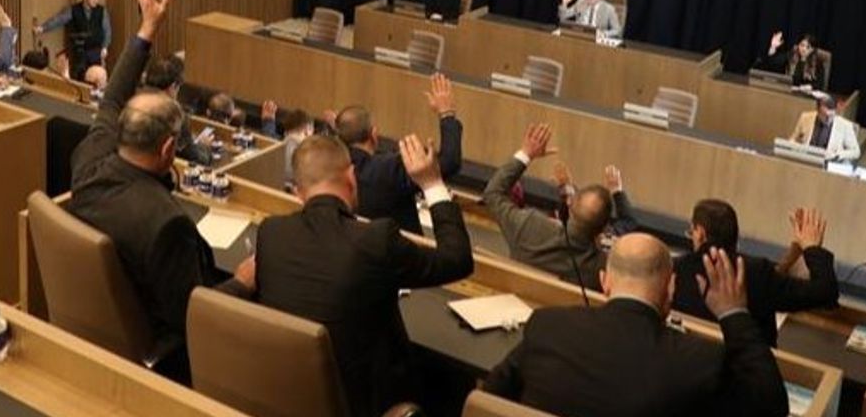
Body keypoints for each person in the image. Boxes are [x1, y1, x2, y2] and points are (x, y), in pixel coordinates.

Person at [66, 0, 254, 378]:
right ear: (169, 150)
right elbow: (195, 317)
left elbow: (112, 97)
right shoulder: (167, 224)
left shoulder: (89, 161)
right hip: (164, 359)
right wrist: (241, 282)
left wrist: (147, 29)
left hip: (96, 335)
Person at [255, 134, 474, 416]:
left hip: (290, 399)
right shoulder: (375, 239)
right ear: (351, 177)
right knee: (455, 380)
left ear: (298, 191)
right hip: (367, 404)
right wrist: (432, 183)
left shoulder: (270, 232)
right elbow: (457, 260)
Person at [484, 234, 789, 417]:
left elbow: (490, 397)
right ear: (671, 288)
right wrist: (734, 313)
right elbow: (771, 406)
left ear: (604, 282)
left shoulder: (547, 325)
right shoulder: (699, 361)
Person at [672, 201, 838, 347]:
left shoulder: (674, 269)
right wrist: (812, 248)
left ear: (700, 234)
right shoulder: (757, 273)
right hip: (745, 368)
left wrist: (795, 250)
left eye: (691, 232)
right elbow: (824, 292)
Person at [482, 124, 614, 290]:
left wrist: (526, 154)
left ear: (571, 206)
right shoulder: (601, 270)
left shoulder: (528, 226)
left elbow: (493, 193)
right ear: (603, 229)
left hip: (515, 300)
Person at [335, 73, 462, 235]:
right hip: (396, 248)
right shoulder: (389, 170)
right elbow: (449, 162)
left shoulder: (331, 169)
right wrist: (447, 114)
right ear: (374, 134)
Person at [142, 54, 214, 165]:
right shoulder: (175, 116)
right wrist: (204, 147)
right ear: (173, 87)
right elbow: (195, 159)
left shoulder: (131, 102)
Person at [36, 0, 112, 76]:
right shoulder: (74, 9)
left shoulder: (102, 10)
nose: (96, 0)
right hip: (80, 52)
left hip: (96, 51)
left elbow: (107, 30)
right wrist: (43, 28)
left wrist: (105, 47)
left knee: (96, 76)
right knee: (79, 76)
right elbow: (59, 20)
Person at [789, 94, 860, 162]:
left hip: (829, 162)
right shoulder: (805, 117)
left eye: (831, 116)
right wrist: (796, 147)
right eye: (825, 116)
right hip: (807, 158)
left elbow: (856, 152)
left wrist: (838, 155)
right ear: (817, 111)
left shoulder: (845, 125)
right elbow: (793, 139)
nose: (828, 119)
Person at [759, 31, 826, 88]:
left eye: (808, 47)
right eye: (802, 45)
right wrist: (773, 47)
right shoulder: (791, 56)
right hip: (790, 91)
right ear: (798, 45)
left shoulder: (818, 63)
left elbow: (820, 84)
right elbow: (772, 62)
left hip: (806, 95)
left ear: (813, 49)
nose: (804, 49)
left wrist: (808, 87)